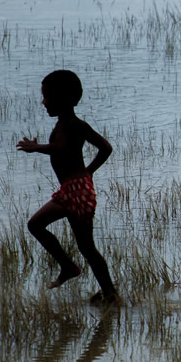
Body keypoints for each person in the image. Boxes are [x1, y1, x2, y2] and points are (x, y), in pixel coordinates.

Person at [17, 70, 119, 304]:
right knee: (84, 246)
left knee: (39, 226)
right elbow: (105, 148)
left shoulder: (71, 125)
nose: (43, 102)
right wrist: (88, 173)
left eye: (47, 97)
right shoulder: (70, 124)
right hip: (75, 189)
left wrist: (37, 148)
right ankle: (104, 290)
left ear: (63, 99)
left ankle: (73, 270)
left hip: (76, 191)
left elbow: (63, 149)